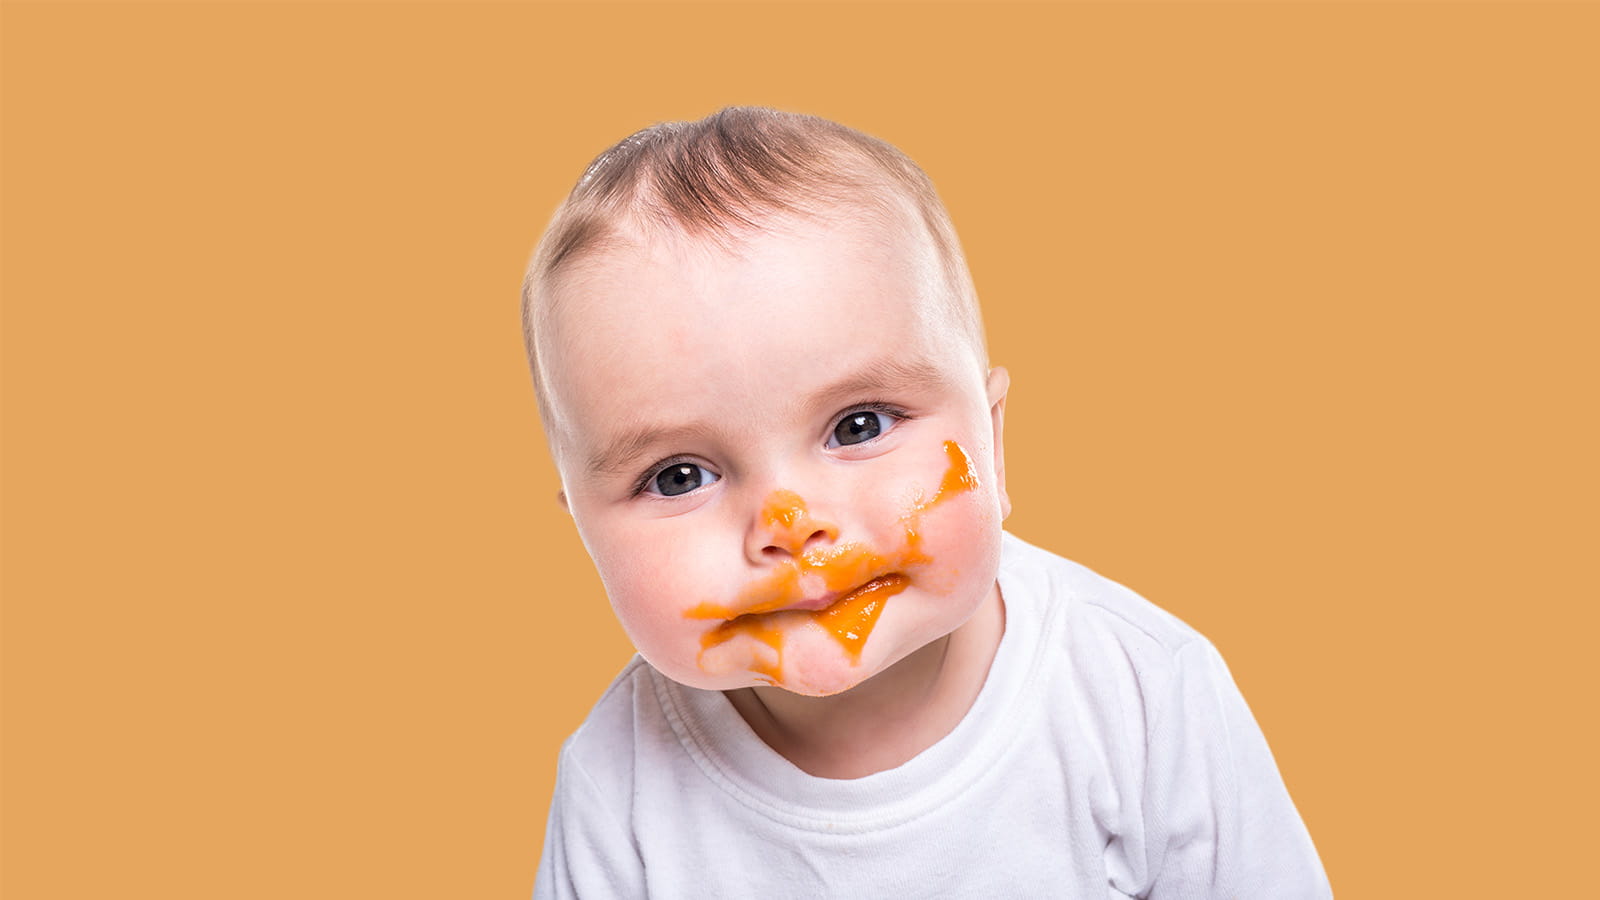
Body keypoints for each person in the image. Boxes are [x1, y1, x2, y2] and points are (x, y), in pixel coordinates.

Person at [522, 107, 1330, 898]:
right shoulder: (616, 790)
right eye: (679, 477)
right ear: (586, 533)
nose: (789, 525)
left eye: (859, 425)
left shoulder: (1143, 697)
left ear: (993, 443)